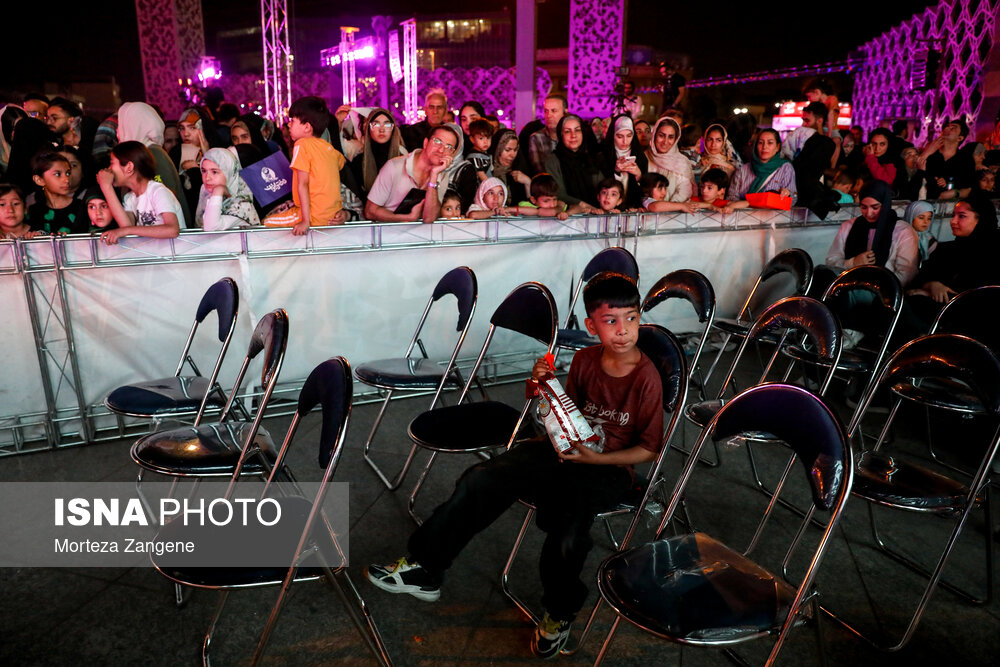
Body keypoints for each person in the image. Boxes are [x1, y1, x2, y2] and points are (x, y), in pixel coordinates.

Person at [365, 272, 664, 658]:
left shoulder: (646, 377)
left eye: (632, 319)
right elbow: (561, 411)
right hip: (563, 451)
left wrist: (598, 458)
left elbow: (649, 450)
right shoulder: (587, 360)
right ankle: (425, 567)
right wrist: (541, 383)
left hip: (607, 468)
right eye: (611, 321)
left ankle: (559, 612)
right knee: (483, 478)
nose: (623, 330)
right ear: (591, 325)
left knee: (568, 527)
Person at [900, 195, 1000, 336]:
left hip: (969, 320)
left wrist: (933, 293)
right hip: (935, 310)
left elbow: (981, 295)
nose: (953, 221)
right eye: (954, 215)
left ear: (981, 219)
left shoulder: (993, 253)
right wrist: (931, 285)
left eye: (962, 216)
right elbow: (918, 280)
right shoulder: (947, 250)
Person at [262, 96, 347, 234]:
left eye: (292, 121)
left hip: (311, 216)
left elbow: (303, 184)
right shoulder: (330, 149)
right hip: (331, 216)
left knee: (266, 222)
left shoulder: (301, 144)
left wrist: (305, 221)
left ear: (307, 127)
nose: (288, 125)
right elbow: (340, 163)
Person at [825, 180, 918, 287]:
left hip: (886, 295)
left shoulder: (903, 231)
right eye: (863, 207)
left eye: (875, 207)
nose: (869, 213)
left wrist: (874, 288)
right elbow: (832, 262)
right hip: (849, 288)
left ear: (885, 204)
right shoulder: (848, 226)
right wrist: (853, 263)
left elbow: (906, 274)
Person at [364, 124, 459, 223]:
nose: (441, 150)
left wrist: (434, 175)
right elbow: (370, 212)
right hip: (388, 233)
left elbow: (429, 218)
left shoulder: (441, 175)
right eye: (437, 141)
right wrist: (408, 218)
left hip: (419, 235)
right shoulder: (394, 166)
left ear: (452, 154)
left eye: (448, 147)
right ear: (425, 143)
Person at [117, 101, 190, 228]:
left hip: (170, 242)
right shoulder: (144, 152)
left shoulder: (153, 153)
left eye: (123, 123)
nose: (118, 131)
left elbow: (167, 198)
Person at [95, 141, 182, 243]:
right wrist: (106, 187)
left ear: (129, 167)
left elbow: (172, 230)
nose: (109, 169)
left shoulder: (157, 191)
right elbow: (127, 226)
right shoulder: (130, 198)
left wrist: (126, 230)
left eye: (112, 163)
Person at [543, 115, 603, 211]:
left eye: (577, 130)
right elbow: (558, 193)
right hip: (566, 217)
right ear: (561, 135)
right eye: (567, 131)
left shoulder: (592, 159)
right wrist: (582, 205)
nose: (573, 135)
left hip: (596, 215)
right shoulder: (552, 161)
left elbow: (602, 188)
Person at [349, 108, 407, 202]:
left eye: (387, 124)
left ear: (393, 129)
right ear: (368, 129)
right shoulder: (359, 162)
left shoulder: (404, 160)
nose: (382, 129)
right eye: (376, 124)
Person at [195, 148, 260, 231]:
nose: (207, 178)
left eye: (214, 172)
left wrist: (218, 191)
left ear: (229, 173)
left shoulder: (241, 203)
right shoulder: (206, 193)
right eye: (204, 171)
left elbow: (211, 228)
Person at [728, 129, 798, 205]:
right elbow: (731, 198)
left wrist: (786, 194)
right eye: (761, 143)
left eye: (770, 143)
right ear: (756, 146)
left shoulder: (785, 168)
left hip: (772, 216)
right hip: (744, 215)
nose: (764, 147)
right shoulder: (743, 170)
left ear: (778, 147)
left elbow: (792, 200)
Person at [26, 151, 88, 235]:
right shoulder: (35, 212)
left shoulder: (82, 207)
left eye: (68, 173)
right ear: (39, 180)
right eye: (58, 174)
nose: (67, 179)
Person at [919, 118, 975, 199]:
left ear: (960, 138)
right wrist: (927, 152)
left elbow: (968, 188)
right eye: (947, 126)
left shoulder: (965, 159)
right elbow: (915, 171)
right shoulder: (932, 154)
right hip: (926, 202)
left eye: (953, 128)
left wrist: (953, 192)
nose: (947, 128)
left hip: (953, 205)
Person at [645, 117, 695, 202]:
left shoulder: (682, 162)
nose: (665, 141)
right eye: (661, 136)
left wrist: (667, 209)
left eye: (670, 137)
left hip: (673, 213)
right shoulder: (644, 157)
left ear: (676, 140)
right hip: (645, 211)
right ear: (654, 135)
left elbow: (684, 192)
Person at [602, 114, 647, 209]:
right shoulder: (604, 155)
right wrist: (616, 171)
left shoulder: (640, 156)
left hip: (633, 208)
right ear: (613, 135)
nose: (625, 141)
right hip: (609, 209)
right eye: (620, 136)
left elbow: (646, 189)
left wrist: (639, 175)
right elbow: (600, 186)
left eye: (629, 136)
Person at [487, 128, 531, 205]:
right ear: (498, 149)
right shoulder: (486, 171)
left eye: (515, 150)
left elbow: (532, 205)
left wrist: (528, 182)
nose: (512, 155)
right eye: (507, 150)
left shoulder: (520, 170)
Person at [528, 95, 567, 174]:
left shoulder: (571, 136)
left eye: (554, 111)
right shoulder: (537, 138)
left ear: (565, 112)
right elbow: (539, 171)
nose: (549, 115)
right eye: (546, 111)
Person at [904, 200, 936, 265]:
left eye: (929, 218)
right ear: (911, 216)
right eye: (921, 218)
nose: (925, 222)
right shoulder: (901, 236)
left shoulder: (930, 240)